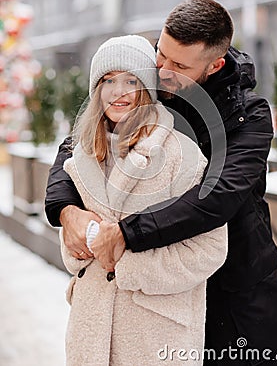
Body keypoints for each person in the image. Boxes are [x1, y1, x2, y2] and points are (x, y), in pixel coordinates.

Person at [46, 0, 277, 364]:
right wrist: (65, 209)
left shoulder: (249, 116)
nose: (161, 68)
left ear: (215, 64)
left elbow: (217, 197)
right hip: (153, 298)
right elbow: (79, 142)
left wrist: (126, 233)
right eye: (160, 54)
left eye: (178, 65)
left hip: (236, 286)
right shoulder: (151, 79)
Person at [59, 34, 227, 365]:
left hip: (156, 335)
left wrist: (127, 264)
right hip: (90, 331)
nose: (118, 91)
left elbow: (209, 250)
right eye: (108, 80)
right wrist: (76, 240)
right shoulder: (84, 156)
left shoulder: (181, 154)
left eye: (131, 80)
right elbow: (73, 244)